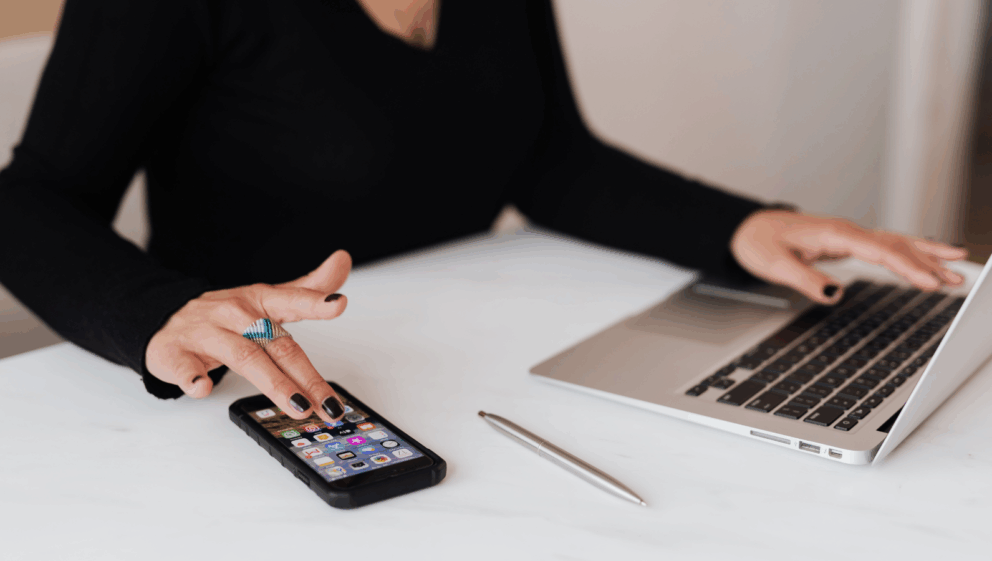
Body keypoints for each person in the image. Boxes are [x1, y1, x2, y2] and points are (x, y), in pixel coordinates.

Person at [0, 0, 967, 427]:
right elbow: (29, 201)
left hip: (484, 368)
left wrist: (742, 228)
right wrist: (155, 313)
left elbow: (547, 157)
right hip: (266, 394)